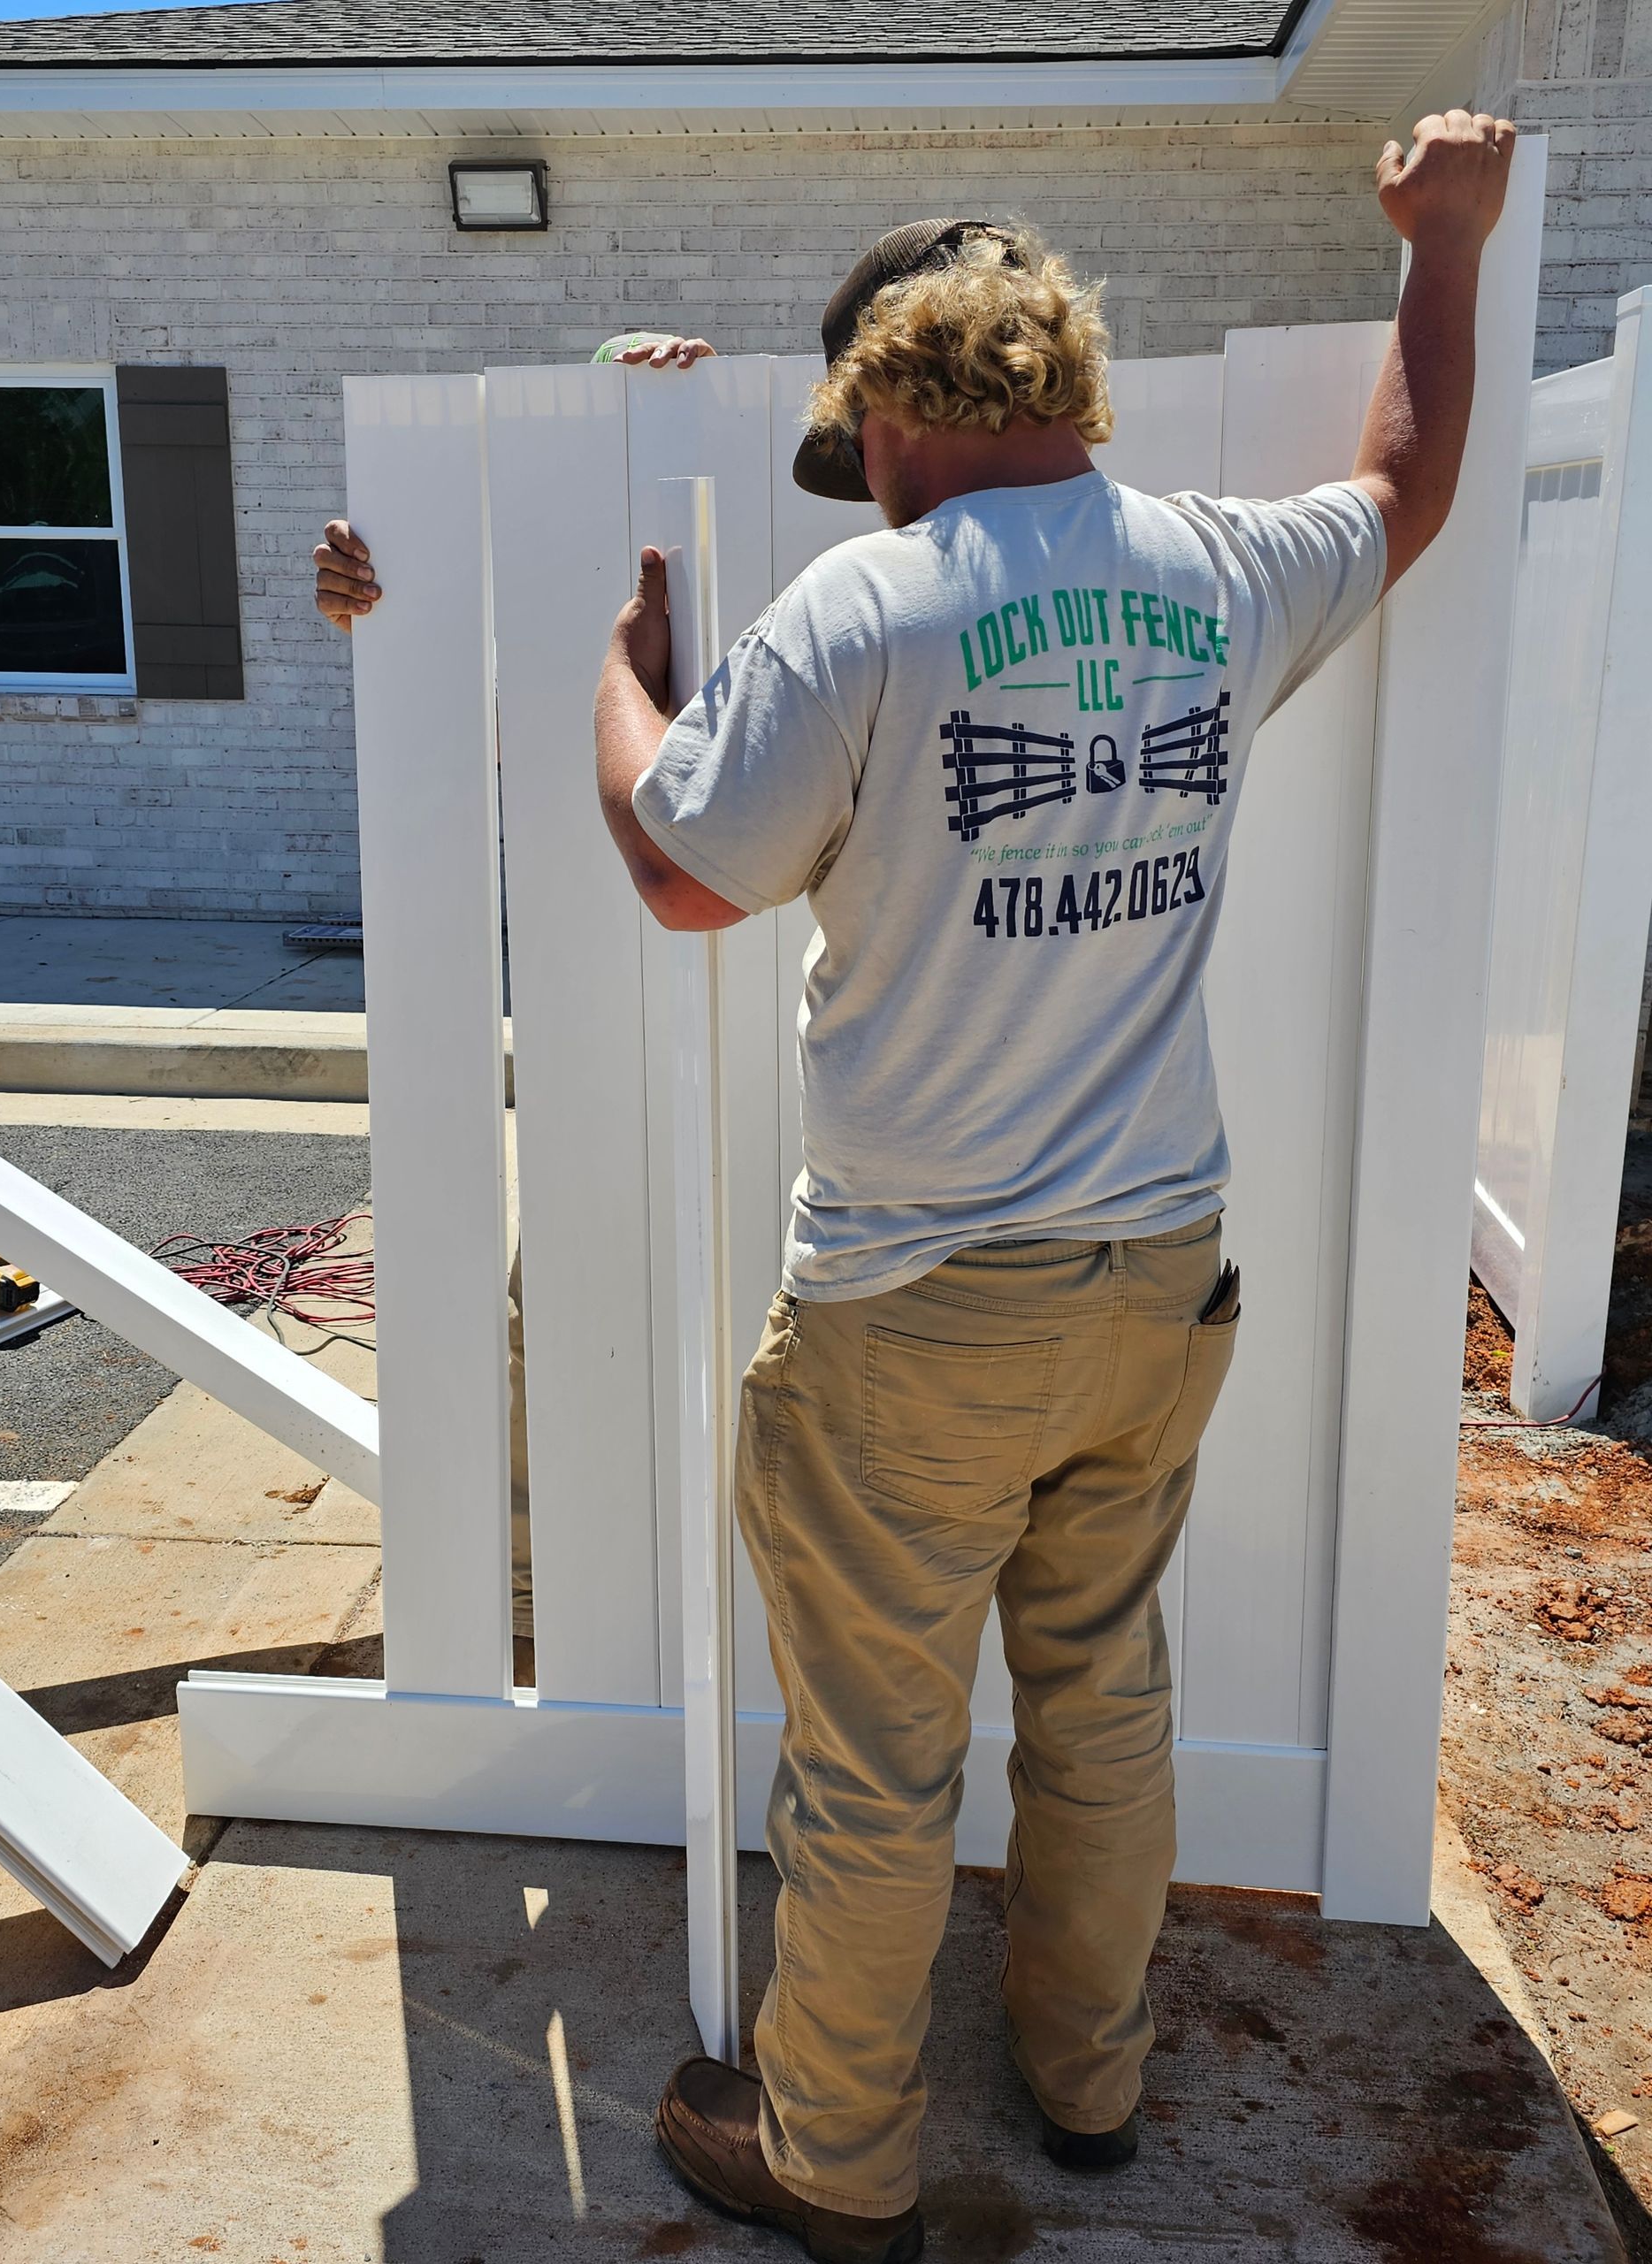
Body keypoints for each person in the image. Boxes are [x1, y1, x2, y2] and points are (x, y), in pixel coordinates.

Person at [589, 113, 1515, 2264]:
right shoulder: (1211, 570)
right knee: (1101, 1696)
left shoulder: (869, 610)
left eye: (864, 440)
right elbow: (1408, 484)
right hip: (1152, 1280)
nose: (866, 481)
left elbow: (672, 867)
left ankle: (833, 2155)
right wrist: (1442, 249)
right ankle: (1089, 2084)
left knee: (873, 1759)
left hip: (919, 1306)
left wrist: (623, 689)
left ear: (908, 396)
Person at [312, 333, 716, 1651]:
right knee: (553, 1299)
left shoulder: (766, 543)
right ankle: (542, 1593)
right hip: (584, 976)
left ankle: (711, 1587)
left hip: (744, 962)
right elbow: (430, 680)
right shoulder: (534, 600)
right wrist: (374, 602)